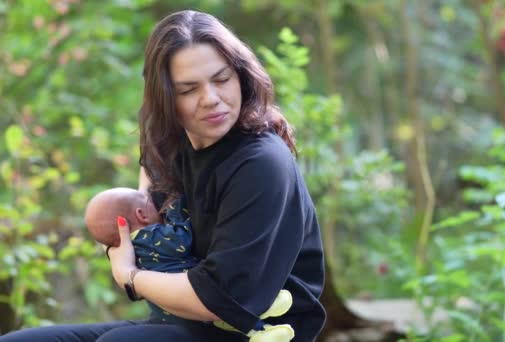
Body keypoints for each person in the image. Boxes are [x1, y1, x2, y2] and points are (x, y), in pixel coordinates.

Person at [0, 9, 325, 342]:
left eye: (222, 79)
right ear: (165, 98)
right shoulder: (168, 145)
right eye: (187, 90)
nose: (211, 99)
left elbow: (217, 297)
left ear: (241, 76)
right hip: (181, 323)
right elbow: (145, 209)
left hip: (254, 330)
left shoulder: (261, 163)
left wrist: (130, 276)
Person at [84, 187, 295, 340]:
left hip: (167, 312)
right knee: (223, 309)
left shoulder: (129, 249)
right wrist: (176, 208)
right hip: (192, 299)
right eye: (149, 201)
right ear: (141, 214)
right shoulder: (151, 236)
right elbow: (181, 240)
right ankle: (261, 330)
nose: (156, 204)